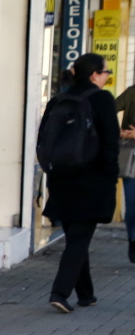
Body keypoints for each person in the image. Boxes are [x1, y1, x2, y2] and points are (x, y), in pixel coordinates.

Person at [41, 53, 119, 313]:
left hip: (60, 178)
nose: (107, 76)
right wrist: (111, 178)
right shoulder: (102, 99)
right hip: (92, 179)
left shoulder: (58, 99)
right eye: (106, 72)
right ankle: (60, 292)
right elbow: (110, 143)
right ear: (95, 75)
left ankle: (86, 294)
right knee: (79, 238)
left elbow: (44, 140)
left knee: (76, 235)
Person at [110, 81, 135, 261]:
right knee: (132, 204)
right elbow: (109, 109)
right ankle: (133, 239)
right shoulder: (132, 92)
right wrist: (117, 131)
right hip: (132, 156)